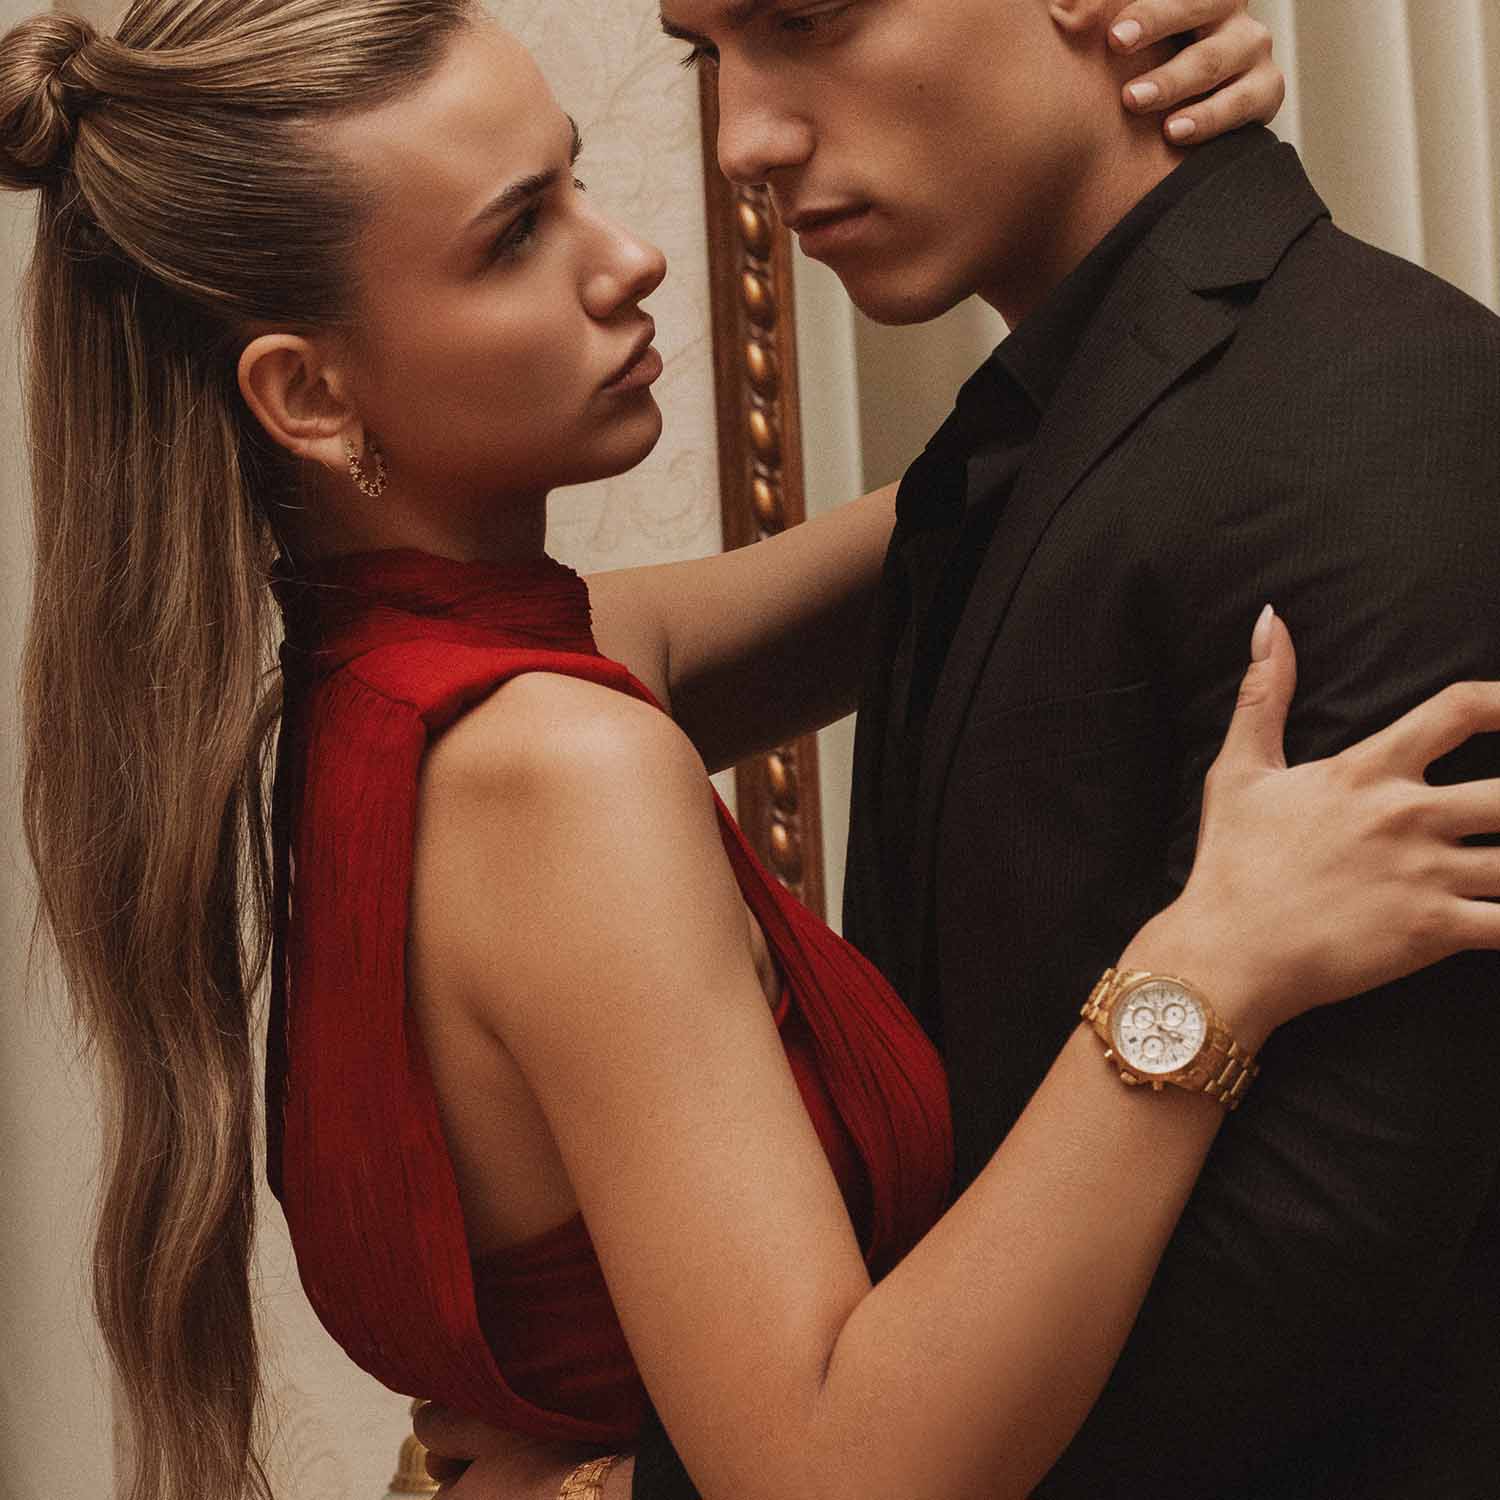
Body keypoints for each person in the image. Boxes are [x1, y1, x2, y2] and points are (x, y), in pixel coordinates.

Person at [3, 7, 1495, 1500]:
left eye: (575, 181)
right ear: (309, 395)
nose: (635, 253)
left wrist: (1130, 140)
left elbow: (1029, 501)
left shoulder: (387, 691)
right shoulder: (557, 770)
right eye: (516, 235)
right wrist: (1203, 972)